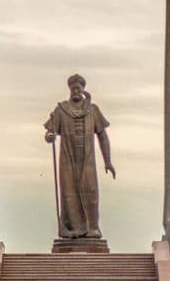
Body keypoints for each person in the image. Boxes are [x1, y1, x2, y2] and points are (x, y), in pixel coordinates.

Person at [43, 74, 116, 238]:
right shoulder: (61, 110)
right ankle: (73, 229)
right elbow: (50, 132)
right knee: (69, 193)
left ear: (83, 89)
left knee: (91, 190)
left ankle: (92, 228)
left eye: (79, 87)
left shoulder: (93, 109)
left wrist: (108, 161)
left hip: (87, 158)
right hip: (68, 158)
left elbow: (102, 136)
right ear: (70, 89)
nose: (76, 89)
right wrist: (50, 137)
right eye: (73, 87)